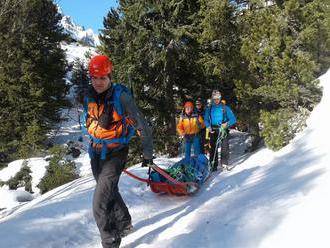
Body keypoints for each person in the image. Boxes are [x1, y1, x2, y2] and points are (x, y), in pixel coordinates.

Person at [84, 54, 153, 248]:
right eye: (94, 78)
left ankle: (110, 241)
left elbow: (142, 126)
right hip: (96, 152)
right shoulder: (89, 96)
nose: (98, 82)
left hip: (116, 153)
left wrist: (148, 154)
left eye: (102, 78)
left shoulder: (121, 98)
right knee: (109, 191)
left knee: (99, 202)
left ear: (109, 77)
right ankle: (124, 222)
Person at [204, 90, 236, 172]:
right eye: (214, 98)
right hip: (213, 129)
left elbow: (233, 119)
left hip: (223, 129)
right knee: (213, 148)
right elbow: (206, 119)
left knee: (224, 147)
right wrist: (208, 126)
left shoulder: (225, 108)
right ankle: (213, 165)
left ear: (220, 98)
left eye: (218, 98)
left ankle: (224, 163)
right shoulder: (209, 108)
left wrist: (226, 124)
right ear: (212, 98)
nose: (216, 100)